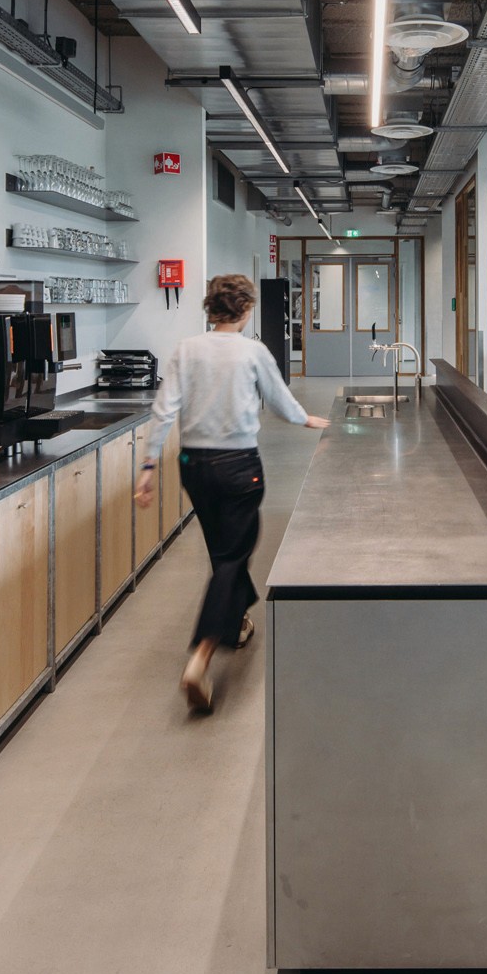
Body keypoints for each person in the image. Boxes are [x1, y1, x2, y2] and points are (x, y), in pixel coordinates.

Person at [136, 272, 327, 714]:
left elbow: (164, 410)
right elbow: (279, 400)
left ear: (209, 308)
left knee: (224, 550)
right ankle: (200, 658)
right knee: (232, 557)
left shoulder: (187, 349)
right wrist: (305, 420)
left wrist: (148, 465)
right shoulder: (251, 351)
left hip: (194, 467)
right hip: (239, 466)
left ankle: (238, 620)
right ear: (244, 309)